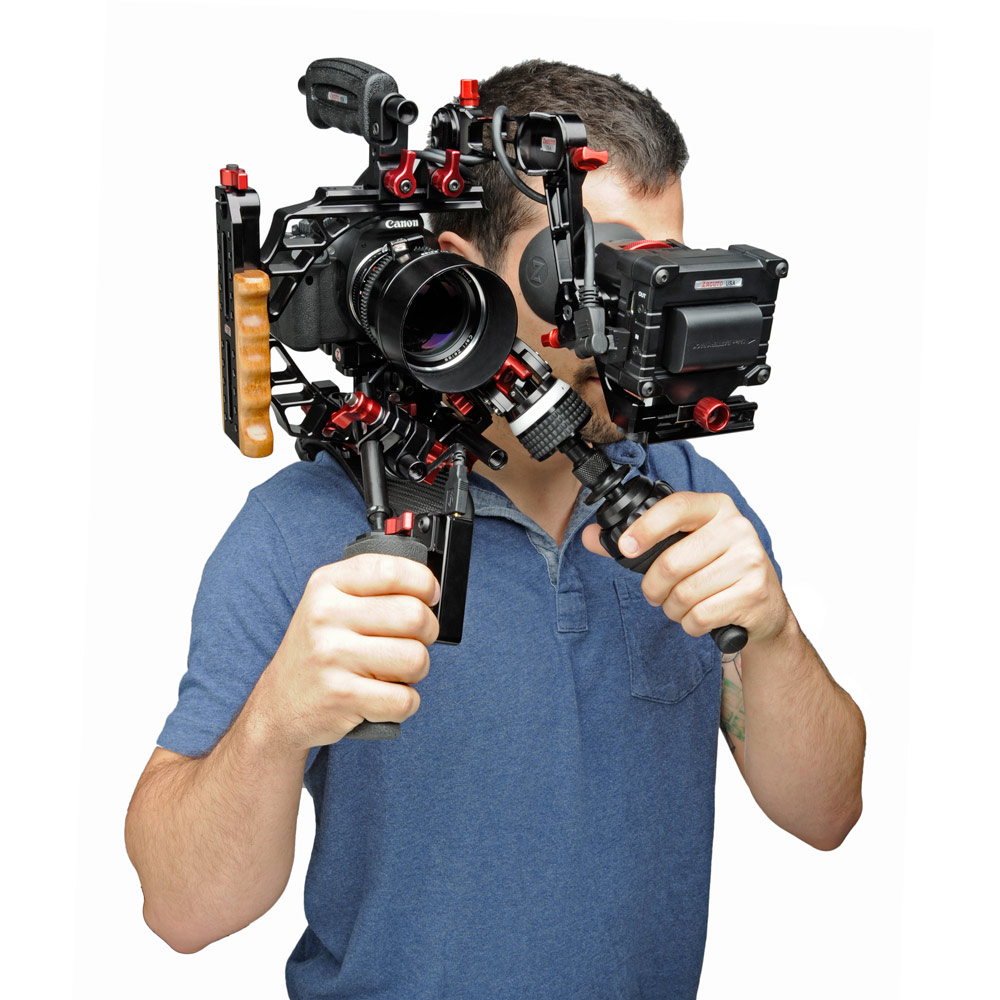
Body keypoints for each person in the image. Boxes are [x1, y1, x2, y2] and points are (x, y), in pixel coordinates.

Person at [125, 60, 866, 999]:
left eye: (657, 268)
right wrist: (275, 722)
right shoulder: (300, 530)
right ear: (460, 273)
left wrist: (774, 633)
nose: (629, 317)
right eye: (591, 268)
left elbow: (826, 815)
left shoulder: (690, 500)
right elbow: (182, 911)